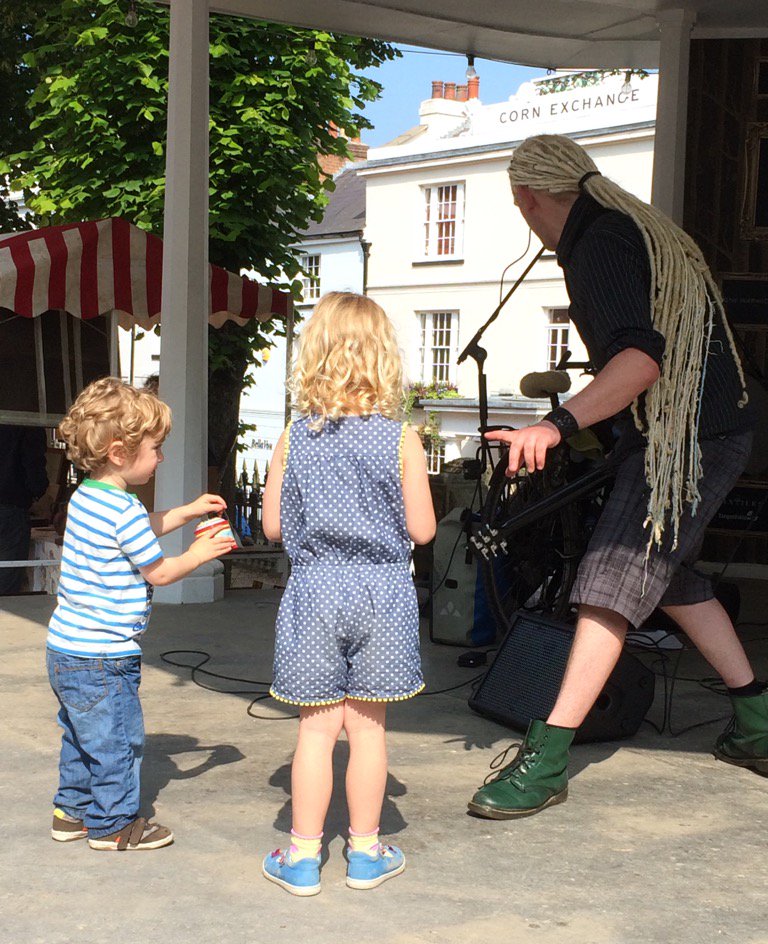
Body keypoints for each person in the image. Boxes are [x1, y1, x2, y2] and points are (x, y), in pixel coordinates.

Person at [468, 133, 764, 820]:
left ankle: (547, 759)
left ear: (526, 198)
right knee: (672, 580)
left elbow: (639, 361)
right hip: (705, 432)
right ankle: (756, 722)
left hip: (684, 442)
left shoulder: (597, 244)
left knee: (608, 580)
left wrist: (555, 425)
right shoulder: (625, 227)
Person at [260, 292, 436, 896]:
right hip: (382, 594)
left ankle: (302, 858)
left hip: (315, 592)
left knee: (315, 733)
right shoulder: (402, 439)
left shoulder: (293, 438)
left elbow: (272, 527)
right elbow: (423, 530)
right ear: (384, 358)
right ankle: (365, 854)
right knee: (367, 731)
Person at [47, 377, 234, 850]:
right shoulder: (124, 509)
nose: (161, 458)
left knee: (81, 737)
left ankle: (71, 812)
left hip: (66, 649)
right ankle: (113, 824)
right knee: (118, 743)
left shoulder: (88, 497)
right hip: (104, 657)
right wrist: (199, 554)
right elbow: (161, 572)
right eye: (155, 449)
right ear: (118, 452)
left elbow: (140, 528)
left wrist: (186, 512)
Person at [0, 425, 48, 595]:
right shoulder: (28, 424)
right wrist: (37, 491)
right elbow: (34, 465)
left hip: (10, 506)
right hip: (10, 507)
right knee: (6, 580)